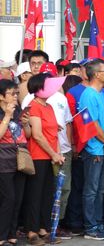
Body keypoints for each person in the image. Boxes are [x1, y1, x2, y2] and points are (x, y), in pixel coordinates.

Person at [24, 74, 66, 245]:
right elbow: (37, 135)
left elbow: (53, 133)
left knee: (47, 194)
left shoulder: (48, 106)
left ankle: (44, 228)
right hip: (37, 156)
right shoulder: (33, 106)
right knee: (35, 194)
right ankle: (32, 231)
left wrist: (57, 154)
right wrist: (53, 154)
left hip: (49, 156)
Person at [79, 59, 104, 240]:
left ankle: (99, 223)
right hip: (93, 149)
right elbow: (91, 123)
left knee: (100, 190)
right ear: (96, 74)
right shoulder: (88, 94)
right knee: (91, 190)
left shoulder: (102, 94)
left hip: (103, 147)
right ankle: (90, 226)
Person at [0, 80, 30, 246]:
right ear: (1, 96)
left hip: (20, 158)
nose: (15, 96)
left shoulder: (18, 110)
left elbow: (28, 134)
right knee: (8, 199)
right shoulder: (5, 113)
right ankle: (2, 234)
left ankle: (12, 233)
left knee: (18, 198)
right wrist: (7, 116)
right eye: (12, 93)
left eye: (17, 93)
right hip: (3, 160)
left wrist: (25, 123)